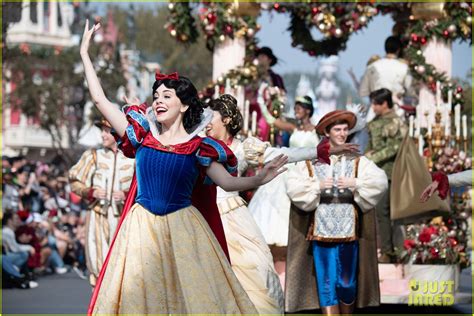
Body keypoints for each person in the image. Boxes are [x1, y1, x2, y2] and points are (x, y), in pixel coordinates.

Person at [80, 20, 287, 314]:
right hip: (141, 229)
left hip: (184, 228)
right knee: (139, 297)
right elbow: (100, 100)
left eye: (167, 96)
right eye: (156, 96)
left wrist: (260, 179)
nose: (159, 101)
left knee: (190, 299)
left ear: (185, 105)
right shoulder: (141, 136)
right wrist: (85, 55)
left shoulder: (198, 148)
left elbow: (227, 183)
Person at [205, 94, 359, 314]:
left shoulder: (244, 147)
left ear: (227, 119)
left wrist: (318, 151)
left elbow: (282, 153)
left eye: (211, 116)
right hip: (202, 213)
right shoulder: (198, 145)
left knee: (251, 271)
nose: (205, 121)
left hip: (232, 218)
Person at [285, 110, 387, 314]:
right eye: (337, 129)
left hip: (349, 233)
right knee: (326, 284)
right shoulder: (312, 160)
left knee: (347, 283)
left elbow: (380, 181)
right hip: (321, 233)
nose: (342, 133)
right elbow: (293, 185)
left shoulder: (356, 161)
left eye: (345, 129)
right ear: (327, 132)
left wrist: (356, 183)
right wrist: (317, 186)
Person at [69, 118, 135, 287]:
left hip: (125, 218)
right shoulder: (93, 155)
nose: (103, 134)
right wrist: (91, 192)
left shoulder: (134, 157)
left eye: (107, 131)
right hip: (97, 216)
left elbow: (145, 186)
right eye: (103, 130)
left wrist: (126, 194)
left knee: (124, 266)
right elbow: (74, 181)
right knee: (98, 264)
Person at [365, 88, 406, 263]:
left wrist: (373, 157)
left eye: (375, 103)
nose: (373, 107)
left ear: (384, 103)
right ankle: (384, 249)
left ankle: (391, 252)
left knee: (387, 212)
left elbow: (395, 147)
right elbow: (371, 145)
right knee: (378, 213)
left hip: (390, 172)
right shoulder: (375, 121)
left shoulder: (395, 122)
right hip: (375, 173)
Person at [359, 36, 412, 107]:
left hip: (376, 108)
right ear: (398, 50)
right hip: (397, 110)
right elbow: (410, 91)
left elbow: (363, 91)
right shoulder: (404, 67)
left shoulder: (372, 66)